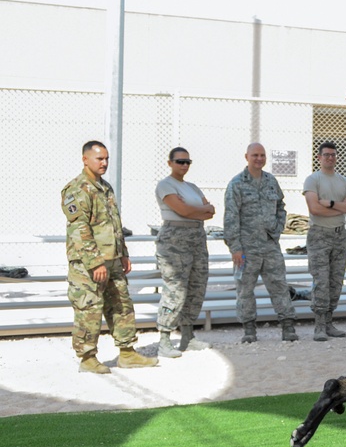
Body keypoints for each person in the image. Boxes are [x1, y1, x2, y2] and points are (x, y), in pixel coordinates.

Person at [62, 140, 158, 373]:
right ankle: (87, 358)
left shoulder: (105, 188)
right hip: (88, 264)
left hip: (112, 260)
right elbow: (80, 230)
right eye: (99, 159)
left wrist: (122, 254)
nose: (104, 163)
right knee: (90, 309)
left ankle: (127, 353)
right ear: (85, 159)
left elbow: (115, 225)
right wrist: (95, 262)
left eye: (106, 158)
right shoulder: (76, 190)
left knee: (122, 305)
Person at [223, 142, 298, 343]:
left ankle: (288, 326)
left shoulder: (271, 181)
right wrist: (235, 248)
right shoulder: (236, 184)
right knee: (245, 289)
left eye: (262, 155)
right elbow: (231, 217)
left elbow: (281, 207)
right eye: (255, 155)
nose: (259, 158)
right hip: (246, 248)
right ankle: (249, 329)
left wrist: (277, 228)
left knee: (279, 286)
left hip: (270, 246)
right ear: (246, 157)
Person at [153, 147, 215, 358]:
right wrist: (199, 211)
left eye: (187, 161)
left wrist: (197, 211)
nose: (184, 165)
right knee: (175, 289)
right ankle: (165, 339)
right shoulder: (166, 185)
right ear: (170, 163)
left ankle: (187, 337)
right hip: (175, 240)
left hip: (196, 238)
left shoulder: (192, 187)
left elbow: (211, 211)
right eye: (180, 161)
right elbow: (185, 211)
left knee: (196, 286)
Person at [302, 141, 346, 341]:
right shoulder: (313, 180)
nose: (330, 158)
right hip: (319, 234)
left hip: (339, 235)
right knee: (321, 281)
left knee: (336, 280)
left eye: (333, 155)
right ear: (319, 157)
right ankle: (319, 325)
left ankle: (329, 322)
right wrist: (341, 207)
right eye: (326, 155)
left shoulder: (344, 181)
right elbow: (314, 209)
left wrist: (333, 203)